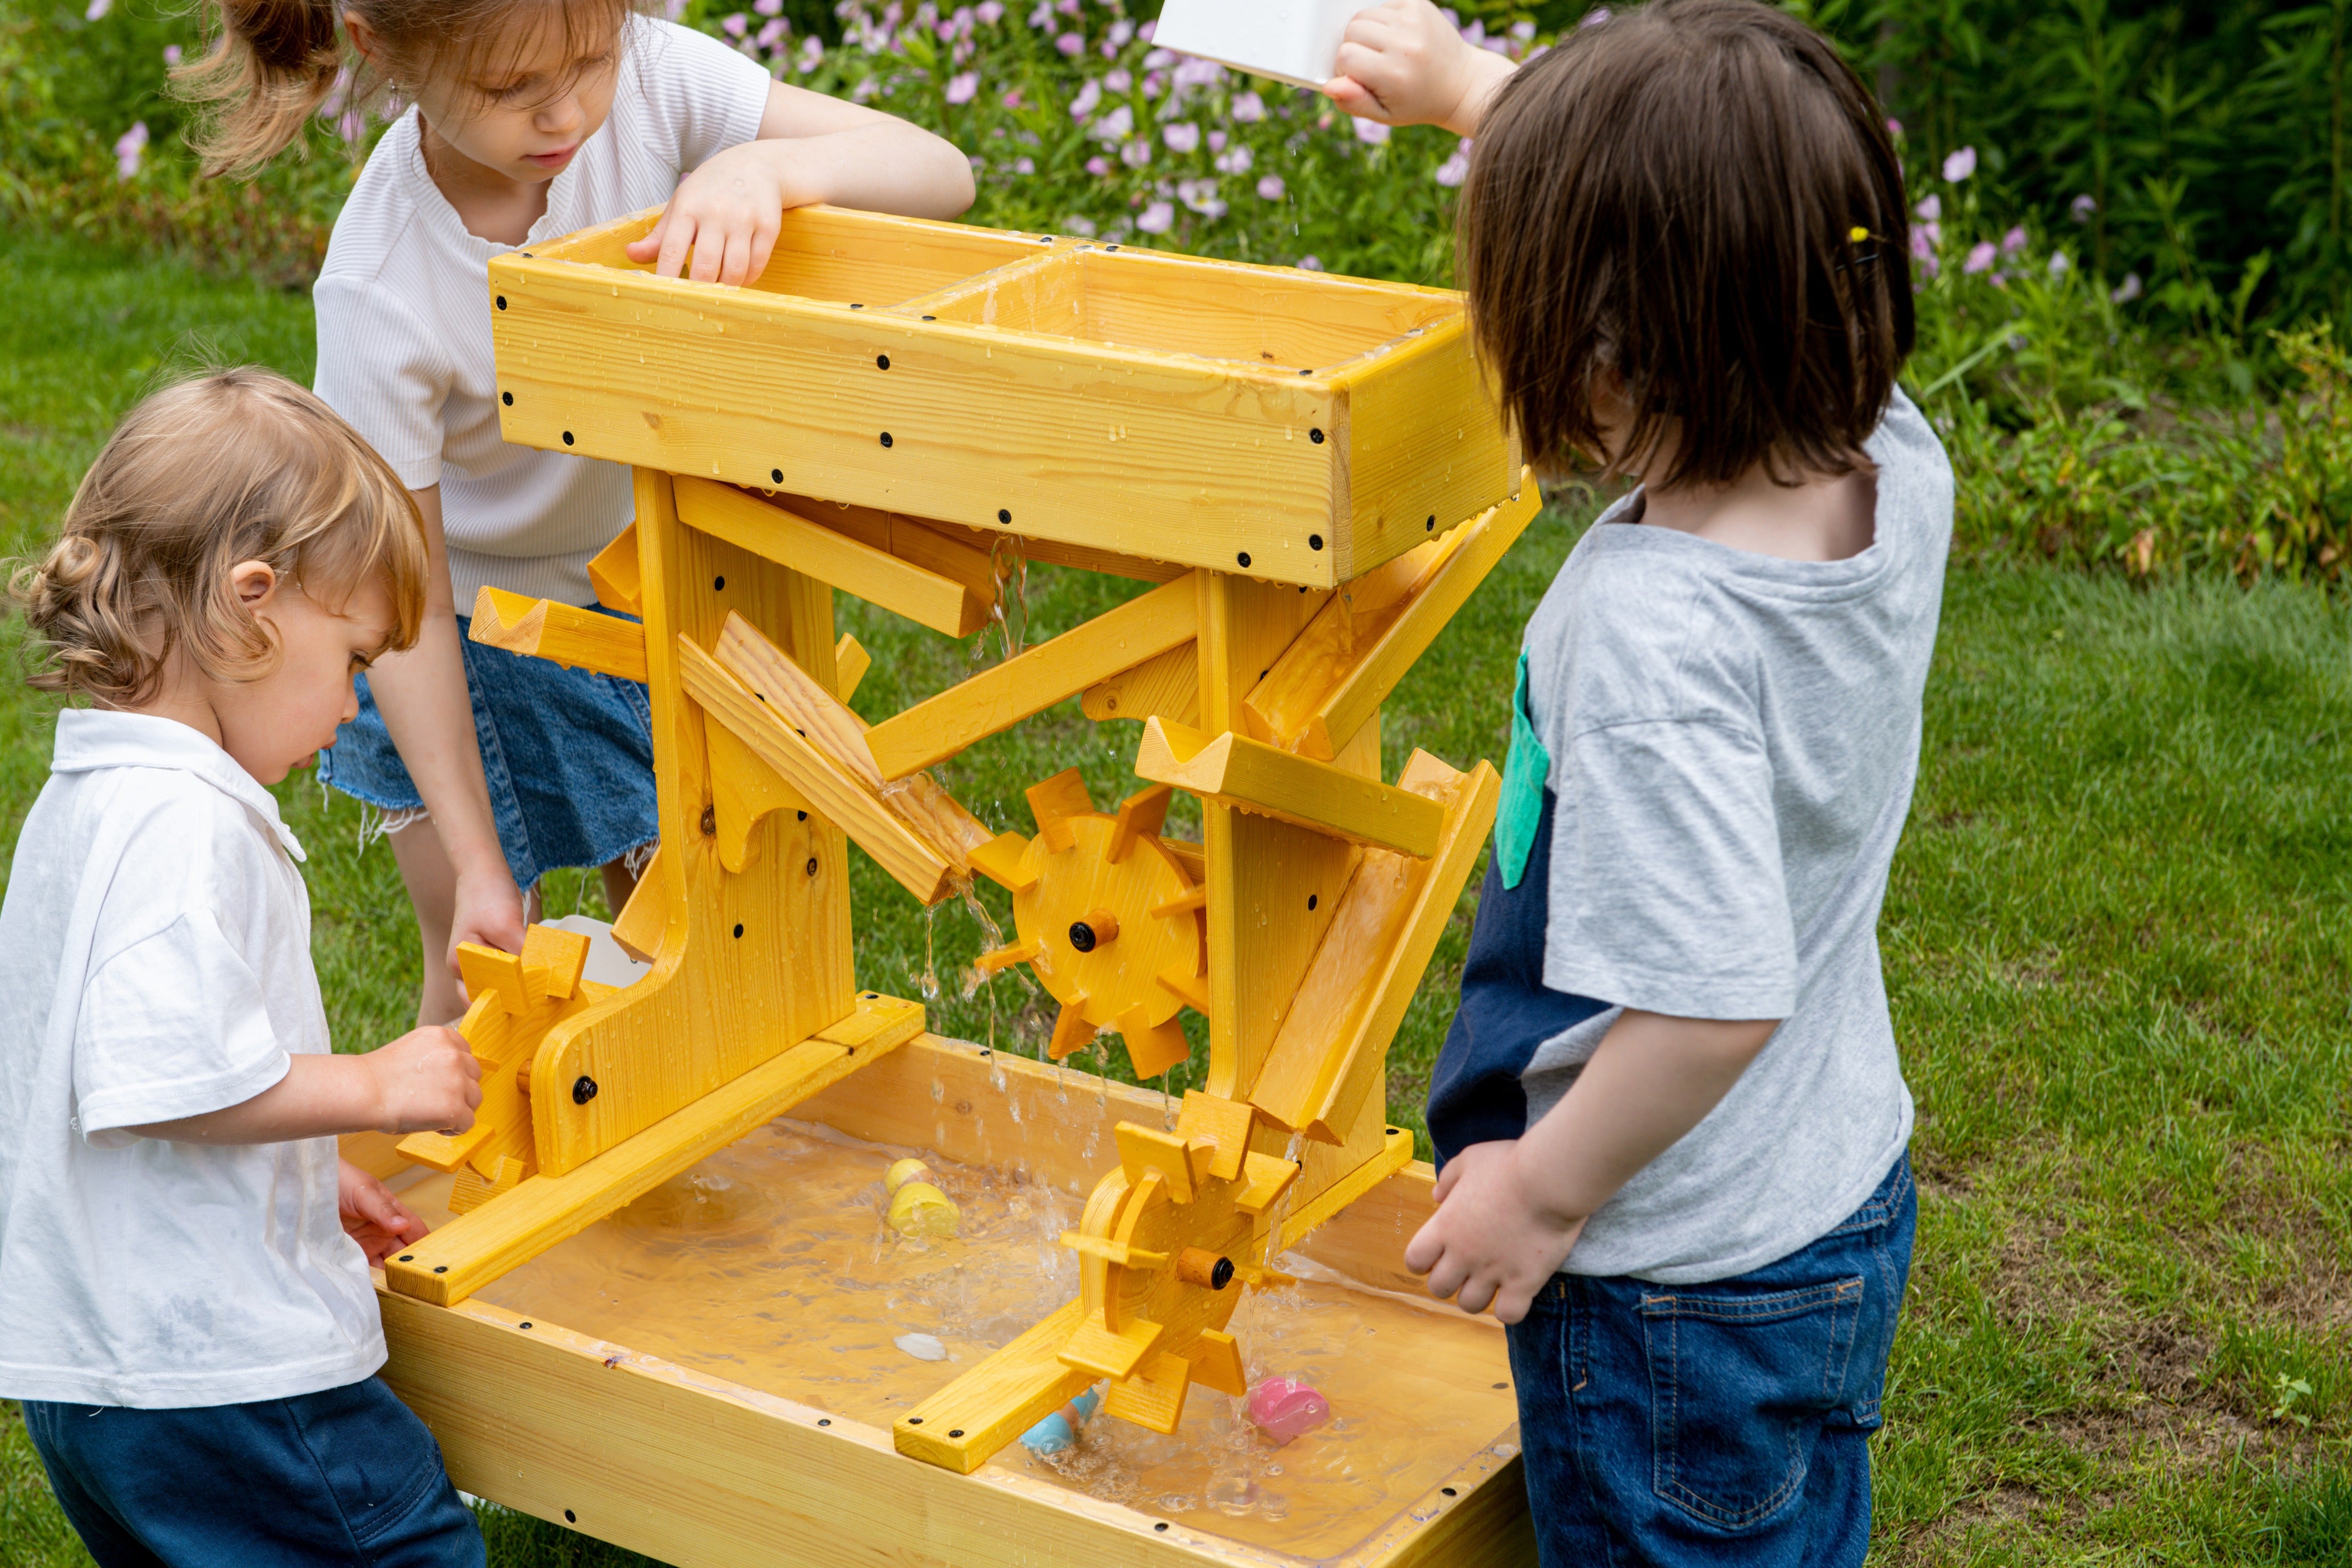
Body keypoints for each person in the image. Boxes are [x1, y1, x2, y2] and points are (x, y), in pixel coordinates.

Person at [1329, 2, 1949, 1562]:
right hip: (1835, 1192)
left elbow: (1712, 1003)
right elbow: (1707, 201)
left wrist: (1541, 1191)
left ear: (1611, 358)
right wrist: (1476, 93)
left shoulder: (1653, 638)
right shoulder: (1886, 445)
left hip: (1674, 1281)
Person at [176, 0, 978, 1024]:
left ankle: (685, 1165)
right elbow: (408, 607)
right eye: (512, 90)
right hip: (462, 634)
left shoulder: (647, 79)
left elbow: (941, 171)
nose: (567, 113)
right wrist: (475, 858)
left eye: (587, 63)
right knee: (487, 982)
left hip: (647, 600)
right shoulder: (382, 286)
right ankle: (447, 1179)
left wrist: (767, 169)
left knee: (689, 955)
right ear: (386, 53)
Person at [0, 368, 488, 1566]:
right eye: (354, 657)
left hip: (98, 1376)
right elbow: (174, 1076)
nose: (355, 703)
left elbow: (111, 1079)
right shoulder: (185, 825)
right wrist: (373, 1089)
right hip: (220, 1374)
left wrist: (299, 1176)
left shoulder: (90, 797)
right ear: (249, 606)